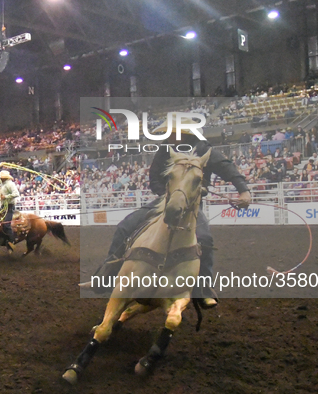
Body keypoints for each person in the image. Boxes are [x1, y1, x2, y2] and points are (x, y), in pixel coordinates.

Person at [89, 116, 252, 309]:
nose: (168, 136)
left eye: (172, 133)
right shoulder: (166, 149)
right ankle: (107, 274)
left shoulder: (204, 150)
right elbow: (154, 178)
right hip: (164, 201)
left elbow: (227, 168)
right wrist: (169, 195)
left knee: (205, 240)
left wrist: (243, 190)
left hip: (191, 206)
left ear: (183, 133)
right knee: (125, 226)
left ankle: (204, 289)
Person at [0, 164, 20, 250]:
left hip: (9, 206)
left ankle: (11, 241)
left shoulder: (10, 184)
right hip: (3, 206)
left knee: (6, 224)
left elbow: (16, 194)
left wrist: (5, 197)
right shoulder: (2, 182)